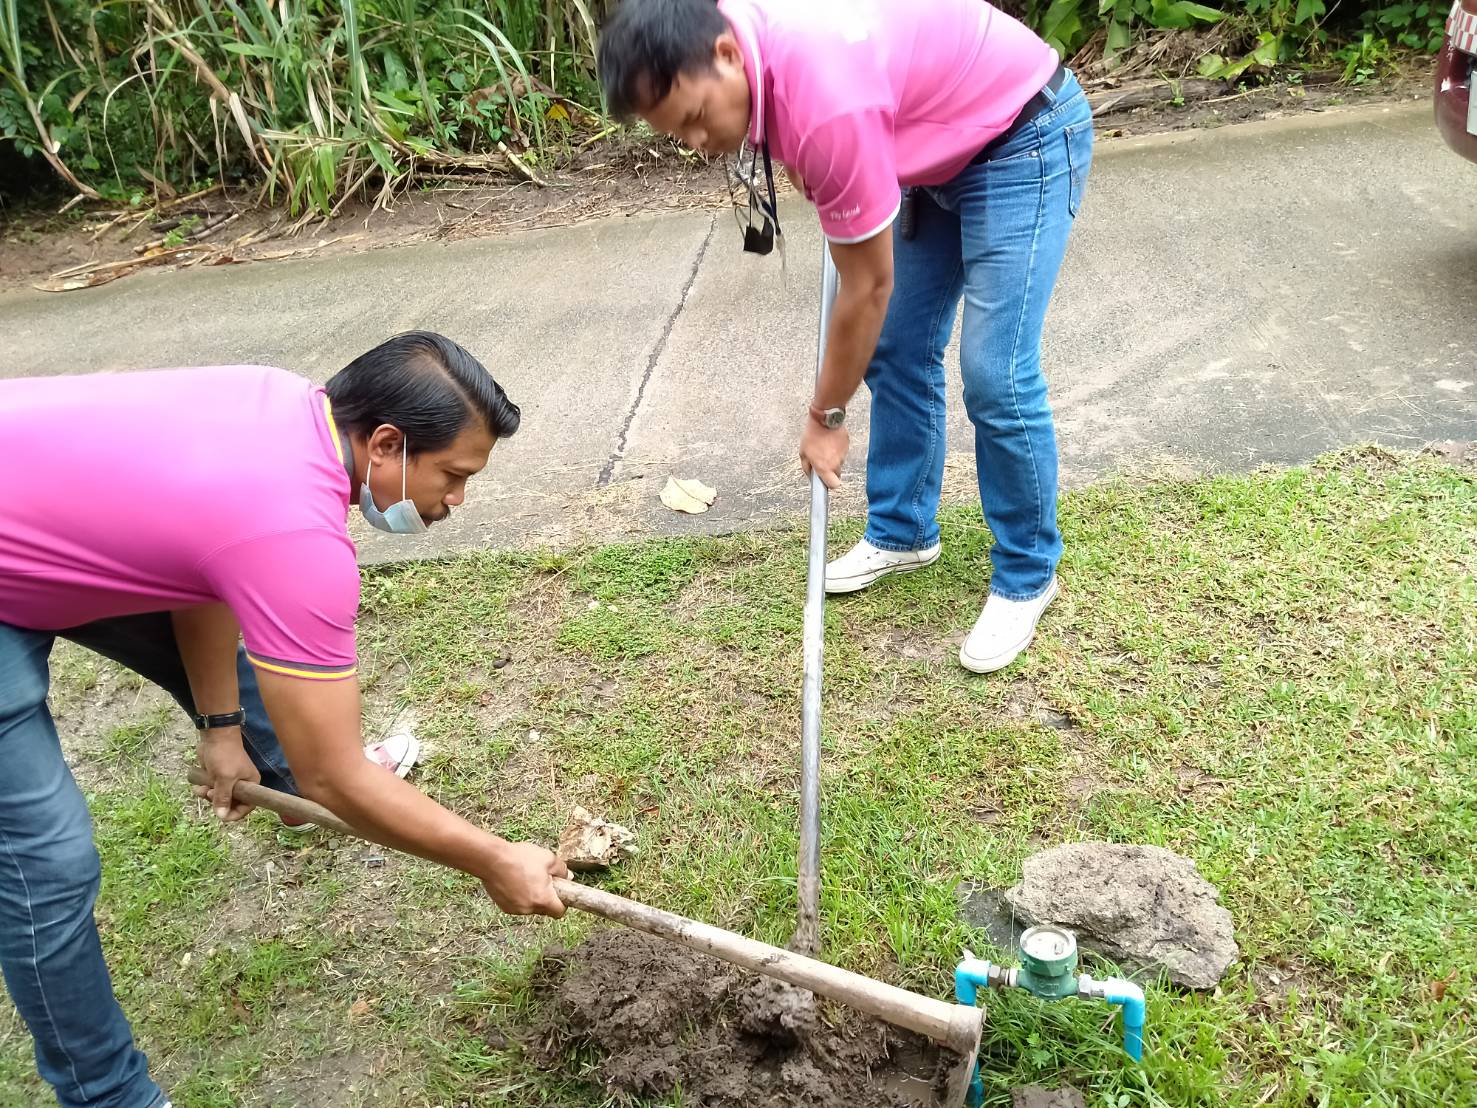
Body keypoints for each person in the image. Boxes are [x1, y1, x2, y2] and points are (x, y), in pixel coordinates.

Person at [0, 332, 567, 1108]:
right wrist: (493, 858)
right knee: (47, 860)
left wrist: (221, 726)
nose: (456, 501)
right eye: (455, 476)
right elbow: (332, 775)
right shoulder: (295, 536)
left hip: (35, 529)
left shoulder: (277, 399)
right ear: (387, 443)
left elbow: (196, 563)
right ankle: (107, 1096)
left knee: (286, 722)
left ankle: (268, 753)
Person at [598, 0, 1094, 672]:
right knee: (895, 347)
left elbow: (866, 288)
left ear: (725, 54)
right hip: (936, 149)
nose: (698, 144)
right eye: (674, 134)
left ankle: (1028, 573)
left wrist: (824, 417)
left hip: (1020, 133)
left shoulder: (826, 101)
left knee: (994, 372)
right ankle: (903, 530)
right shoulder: (753, 41)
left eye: (693, 118)